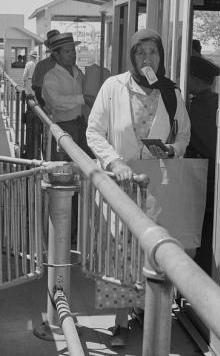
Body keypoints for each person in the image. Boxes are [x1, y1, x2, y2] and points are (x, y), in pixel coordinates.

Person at [86, 28, 191, 347]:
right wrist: (114, 161)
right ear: (131, 56)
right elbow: (94, 132)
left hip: (156, 184)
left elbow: (183, 134)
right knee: (120, 251)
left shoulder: (171, 92)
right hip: (121, 183)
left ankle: (147, 313)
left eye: (154, 52)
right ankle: (118, 320)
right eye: (141, 52)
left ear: (161, 56)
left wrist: (171, 150)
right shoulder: (112, 87)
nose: (148, 58)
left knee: (153, 249)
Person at [185, 48, 220, 274]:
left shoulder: (197, 108)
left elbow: (204, 142)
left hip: (201, 175)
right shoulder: (214, 102)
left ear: (195, 80)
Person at [42, 32, 94, 161]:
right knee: (65, 165)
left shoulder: (78, 72)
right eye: (67, 51)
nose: (73, 54)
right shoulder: (51, 76)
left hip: (81, 125)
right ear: (56, 55)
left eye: (73, 50)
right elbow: (56, 101)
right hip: (63, 127)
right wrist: (83, 99)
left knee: (84, 162)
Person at [31, 29, 60, 107]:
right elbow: (36, 88)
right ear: (50, 46)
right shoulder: (41, 66)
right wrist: (44, 108)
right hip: (46, 109)